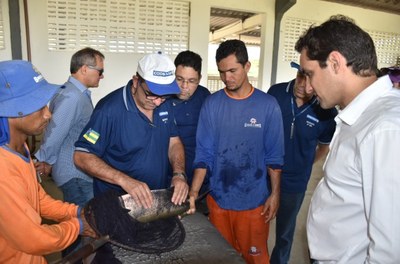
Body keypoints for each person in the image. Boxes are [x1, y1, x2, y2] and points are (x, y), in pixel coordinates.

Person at [295, 15, 400, 263]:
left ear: (334, 63)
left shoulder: (385, 128)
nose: (308, 87)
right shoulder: (359, 117)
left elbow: (390, 250)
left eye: (310, 74)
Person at [73, 52, 189, 260]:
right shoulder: (109, 110)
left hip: (154, 205)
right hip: (117, 209)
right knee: (114, 257)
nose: (158, 101)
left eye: (164, 95)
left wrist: (179, 173)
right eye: (151, 94)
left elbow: (174, 141)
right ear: (136, 81)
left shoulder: (165, 105)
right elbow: (82, 156)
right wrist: (124, 180)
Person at [188, 39, 284, 264]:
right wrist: (193, 192)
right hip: (218, 201)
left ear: (247, 66)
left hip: (254, 203)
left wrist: (275, 193)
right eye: (222, 72)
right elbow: (204, 154)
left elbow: (274, 157)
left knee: (255, 258)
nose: (227, 77)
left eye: (233, 70)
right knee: (221, 258)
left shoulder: (268, 105)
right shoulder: (212, 105)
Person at [0, 60, 96, 264]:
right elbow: (33, 239)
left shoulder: (20, 147)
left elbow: (38, 199)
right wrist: (78, 226)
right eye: (38, 106)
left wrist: (77, 211)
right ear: (12, 110)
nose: (48, 114)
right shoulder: (2, 169)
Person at [33, 47, 104, 256]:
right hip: (75, 173)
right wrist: (44, 161)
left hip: (76, 171)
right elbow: (56, 130)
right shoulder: (73, 97)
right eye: (99, 71)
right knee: (83, 227)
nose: (102, 75)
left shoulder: (72, 93)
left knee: (80, 228)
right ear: (84, 69)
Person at [267, 62, 337, 264]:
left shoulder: (327, 112)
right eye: (300, 75)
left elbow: (324, 148)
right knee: (257, 226)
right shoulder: (276, 93)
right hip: (265, 175)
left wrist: (304, 164)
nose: (302, 84)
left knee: (284, 233)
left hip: (295, 183)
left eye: (309, 78)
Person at [170, 50, 211, 188]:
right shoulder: (161, 99)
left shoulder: (205, 97)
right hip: (170, 178)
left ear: (199, 78)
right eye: (179, 79)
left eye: (191, 81)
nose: (184, 86)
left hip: (201, 177)